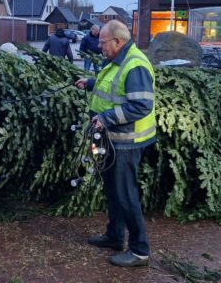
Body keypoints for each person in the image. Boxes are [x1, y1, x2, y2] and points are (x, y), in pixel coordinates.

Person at [74, 20, 156, 268]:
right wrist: (89, 83)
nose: (100, 47)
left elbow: (142, 105)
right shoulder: (117, 59)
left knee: (126, 194)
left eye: (103, 42)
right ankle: (114, 236)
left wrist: (106, 118)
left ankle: (140, 250)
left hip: (126, 143)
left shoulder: (135, 65)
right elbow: (111, 86)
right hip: (110, 140)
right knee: (112, 190)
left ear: (117, 41)